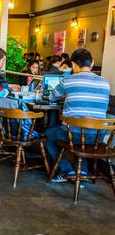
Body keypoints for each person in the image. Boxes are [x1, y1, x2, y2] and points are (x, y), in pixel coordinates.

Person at [45, 49, 110, 183]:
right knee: (86, 135)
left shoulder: (68, 80)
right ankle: (83, 171)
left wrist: (67, 94)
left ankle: (67, 171)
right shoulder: (105, 83)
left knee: (48, 135)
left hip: (73, 134)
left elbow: (52, 97)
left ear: (74, 65)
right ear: (92, 63)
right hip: (98, 137)